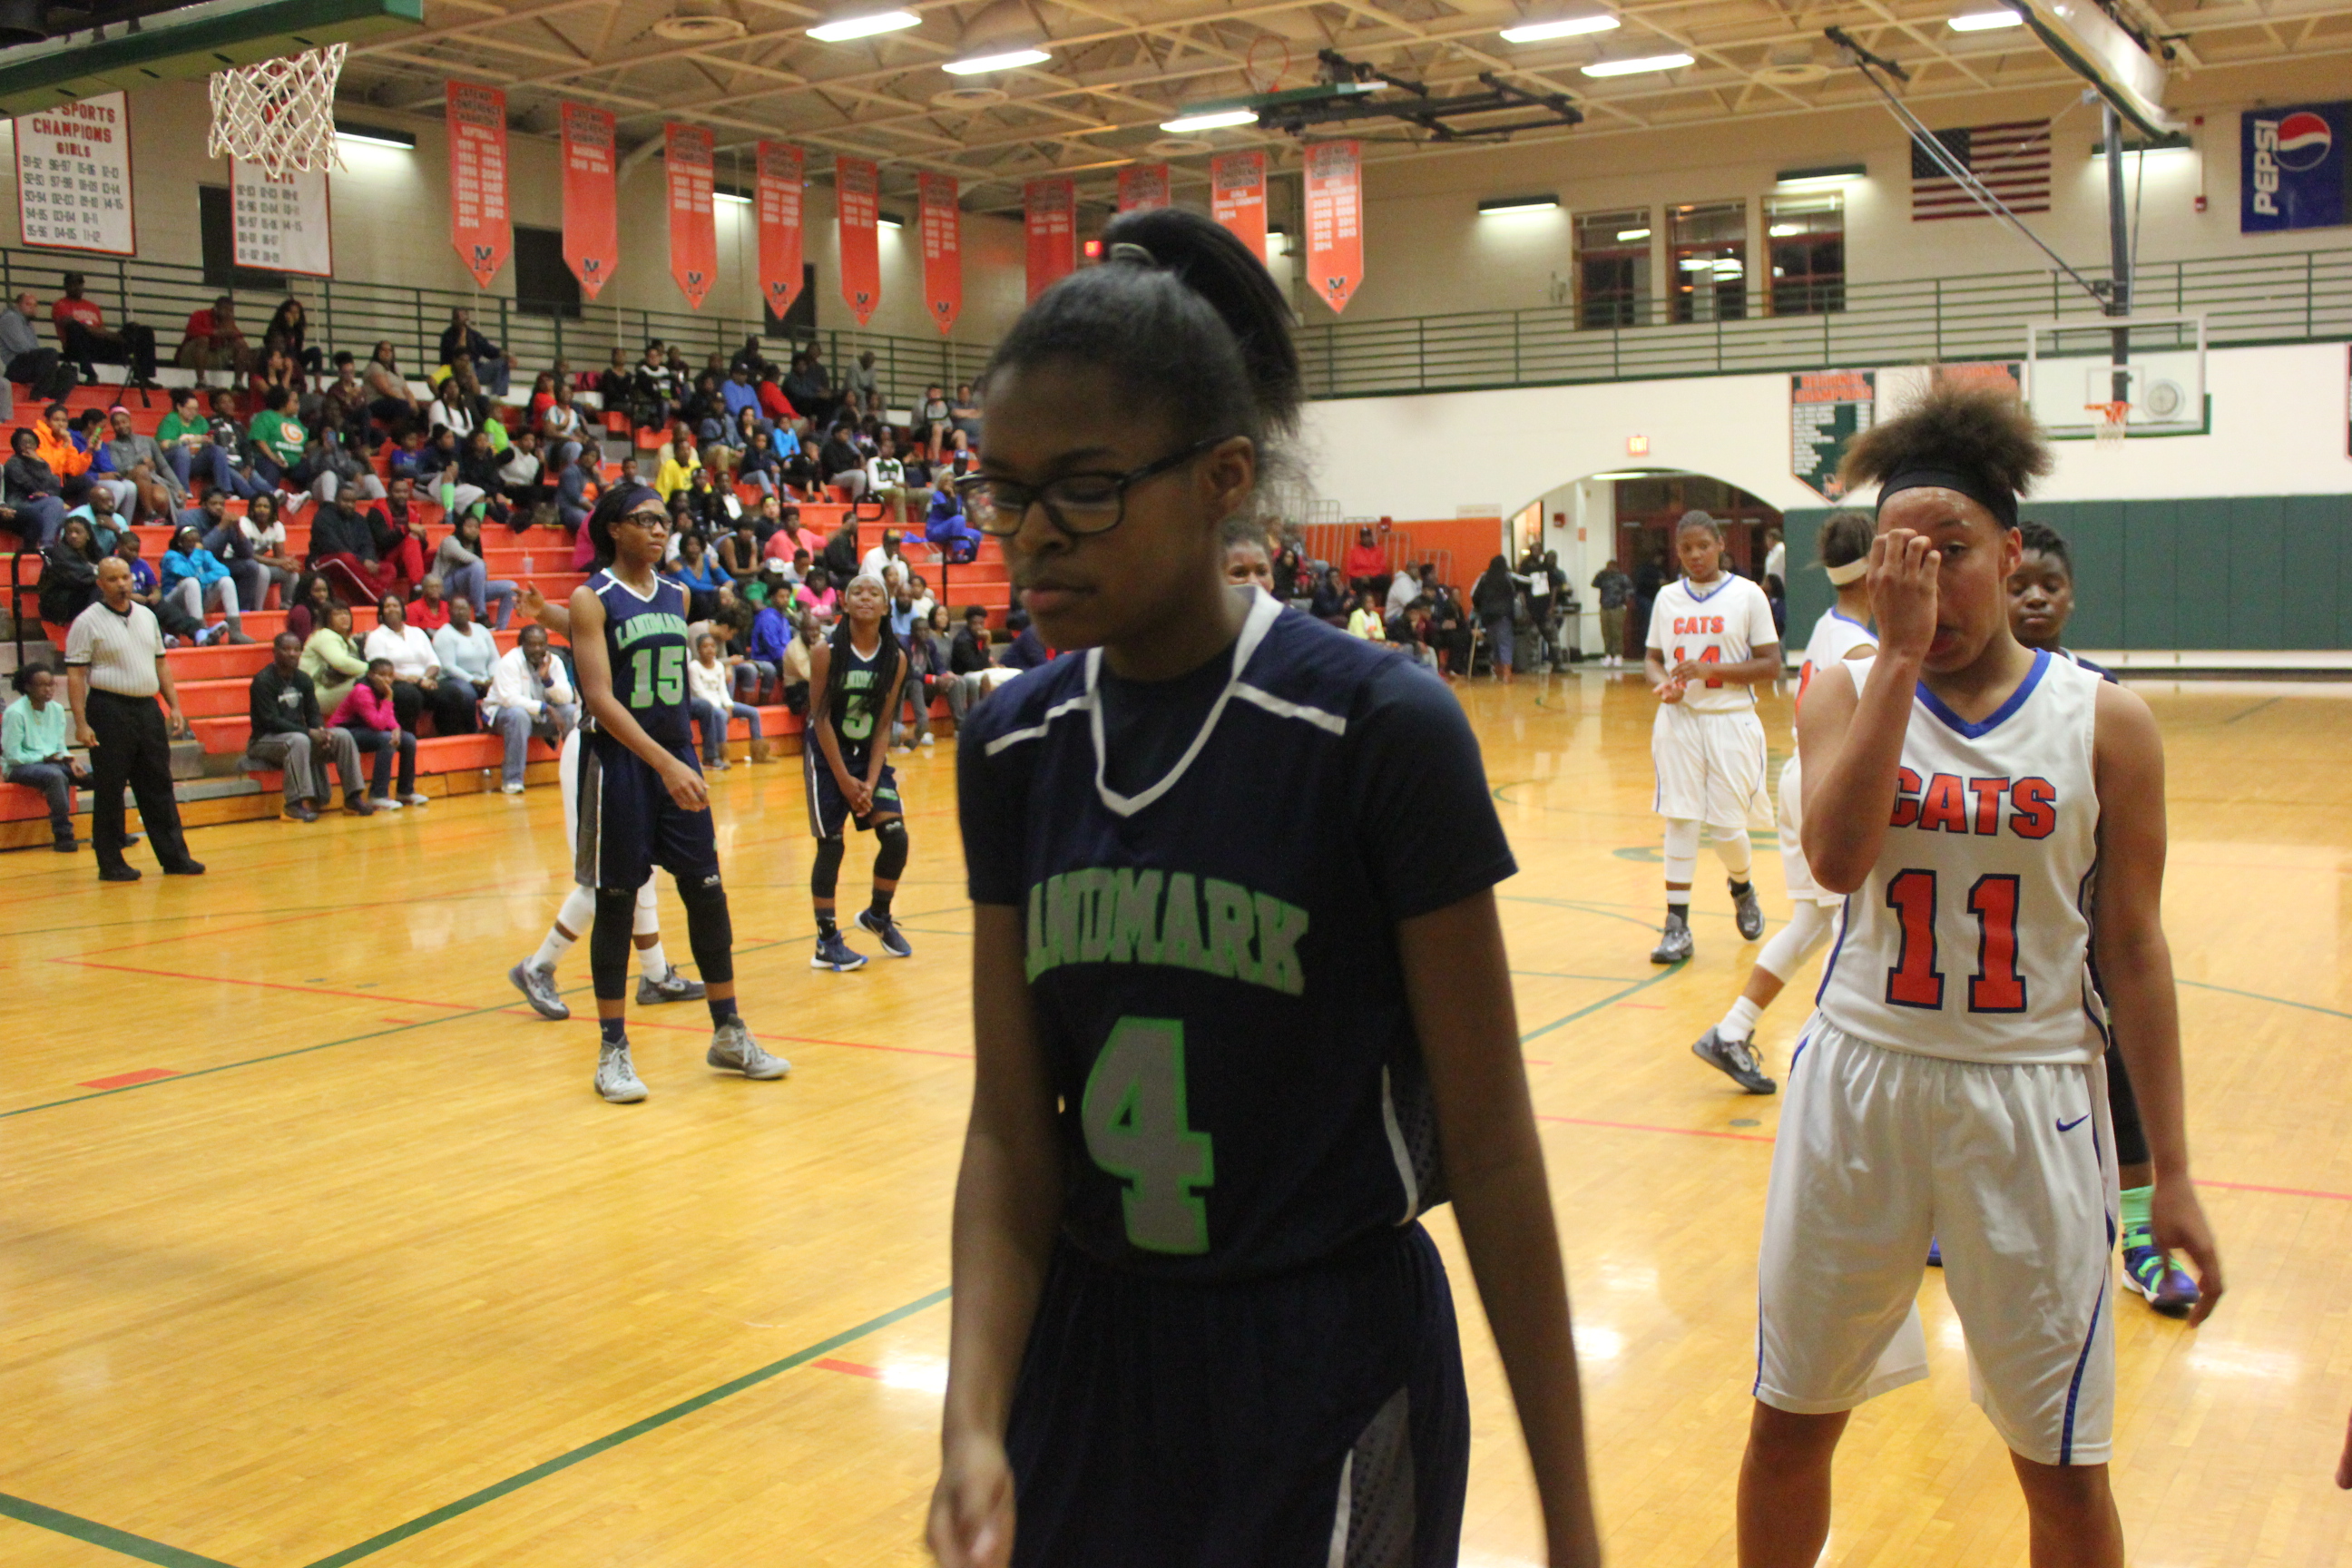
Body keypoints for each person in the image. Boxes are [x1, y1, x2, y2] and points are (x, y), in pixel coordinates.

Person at [927, 208, 1599, 1568]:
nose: (1033, 536)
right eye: (1006, 493)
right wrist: (971, 1417)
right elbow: (1010, 1133)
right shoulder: (1011, 746)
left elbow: (1492, 1146)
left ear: (1221, 478)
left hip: (1328, 1358)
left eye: (1085, 488)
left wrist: (1572, 1522)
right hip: (1091, 1346)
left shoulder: (1377, 729)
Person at [1741, 380, 2224, 1568]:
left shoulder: (2107, 724)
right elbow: (1834, 861)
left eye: (1950, 552)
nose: (1923, 582)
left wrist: (2168, 1173)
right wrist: (1898, 660)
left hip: (2032, 1097)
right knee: (1789, 1423)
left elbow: (2136, 953)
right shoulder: (1845, 689)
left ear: (2011, 555)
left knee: (2064, 1469)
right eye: (1896, 558)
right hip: (1860, 1083)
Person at [2004, 517, 2200, 1317]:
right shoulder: (1951, 698)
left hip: (2077, 936)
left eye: (2050, 585)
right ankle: (1957, 1210)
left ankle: (2143, 1236)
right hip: (1989, 946)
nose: (2035, 598)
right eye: (2020, 585)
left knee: (2119, 1082)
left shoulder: (2099, 699)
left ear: (2072, 597)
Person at [562, 485, 789, 1102]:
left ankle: (729, 1033)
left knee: (706, 891)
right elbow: (599, 697)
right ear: (614, 528)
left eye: (664, 520)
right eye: (645, 520)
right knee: (616, 903)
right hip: (621, 764)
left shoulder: (677, 594)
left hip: (675, 757)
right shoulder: (590, 597)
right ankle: (612, 1050)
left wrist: (677, 759)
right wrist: (664, 762)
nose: (660, 530)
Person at [1689, 510, 1877, 1096]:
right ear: (1876, 569)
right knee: (1853, 928)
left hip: (1801, 776)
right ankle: (1829, 1058)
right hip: (1828, 784)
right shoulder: (1863, 650)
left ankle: (1731, 1031)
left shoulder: (1827, 626)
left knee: (1814, 923)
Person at [1642, 509, 1779, 965]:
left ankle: (1742, 886)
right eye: (1686, 548)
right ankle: (1676, 925)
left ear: (1721, 544)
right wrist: (1663, 683)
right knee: (1680, 818)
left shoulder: (1748, 595)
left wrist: (1709, 670)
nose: (1695, 555)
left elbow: (1771, 665)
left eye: (1703, 545)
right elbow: (1652, 659)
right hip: (1680, 721)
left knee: (1726, 829)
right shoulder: (1667, 598)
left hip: (1731, 719)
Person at [64, 556, 202, 880]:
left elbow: (161, 664)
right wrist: (81, 723)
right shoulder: (86, 622)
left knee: (159, 784)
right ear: (100, 584)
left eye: (125, 577)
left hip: (147, 708)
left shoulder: (146, 616)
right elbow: (75, 675)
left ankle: (175, 858)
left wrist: (175, 706)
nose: (121, 584)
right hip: (108, 709)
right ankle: (111, 862)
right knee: (110, 788)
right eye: (113, 579)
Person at [802, 571, 910, 972]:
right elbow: (820, 717)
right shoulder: (826, 651)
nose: (865, 597)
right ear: (844, 604)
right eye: (857, 592)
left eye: (874, 592)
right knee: (831, 845)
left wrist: (870, 779)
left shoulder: (895, 658)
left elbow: (883, 725)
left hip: (867, 756)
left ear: (885, 606)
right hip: (827, 754)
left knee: (896, 837)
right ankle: (826, 940)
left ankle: (878, 915)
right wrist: (846, 781)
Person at [247, 631, 367, 823]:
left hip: (298, 737)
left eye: (296, 649)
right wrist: (309, 733)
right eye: (286, 649)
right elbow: (271, 721)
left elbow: (313, 713)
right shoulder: (263, 681)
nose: (292, 654)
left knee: (342, 736)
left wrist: (320, 730)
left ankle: (352, 799)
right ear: (275, 652)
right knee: (299, 740)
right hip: (264, 740)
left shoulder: (303, 679)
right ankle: (293, 806)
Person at [5, 663, 91, 851]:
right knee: (55, 776)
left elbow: (60, 746)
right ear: (28, 687)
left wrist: (71, 760)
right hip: (20, 767)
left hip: (52, 763)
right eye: (42, 685)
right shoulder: (15, 713)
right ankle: (63, 835)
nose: (48, 689)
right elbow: (12, 756)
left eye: (51, 684)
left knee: (98, 773)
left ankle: (112, 832)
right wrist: (45, 758)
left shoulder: (57, 709)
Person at [484, 622, 577, 795]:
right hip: (503, 716)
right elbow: (510, 699)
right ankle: (512, 780)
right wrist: (545, 708)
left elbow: (566, 697)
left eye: (541, 644)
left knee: (571, 712)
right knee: (518, 715)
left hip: (539, 717)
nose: (537, 649)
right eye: (532, 645)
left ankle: (577, 773)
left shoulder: (554, 662)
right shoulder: (510, 662)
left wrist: (548, 680)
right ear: (522, 644)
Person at [365, 593, 475, 739]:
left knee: (451, 692)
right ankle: (409, 739)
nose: (392, 609)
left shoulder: (417, 632)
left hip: (424, 680)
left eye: (395, 606)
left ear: (402, 610)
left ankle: (447, 737)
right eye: (387, 606)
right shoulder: (376, 637)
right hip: (395, 683)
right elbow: (379, 670)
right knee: (409, 695)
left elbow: (434, 663)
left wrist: (424, 679)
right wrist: (416, 681)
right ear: (381, 612)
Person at [329, 658, 421, 810]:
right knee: (386, 739)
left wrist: (396, 729)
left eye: (390, 675)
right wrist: (389, 697)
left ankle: (405, 791)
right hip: (344, 733)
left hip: (365, 731)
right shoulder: (362, 691)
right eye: (382, 675)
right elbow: (377, 724)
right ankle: (378, 795)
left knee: (409, 739)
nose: (387, 679)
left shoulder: (382, 691)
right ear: (371, 675)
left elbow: (389, 717)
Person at [52, 272, 158, 385]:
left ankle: (143, 377)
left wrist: (118, 335)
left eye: (80, 284)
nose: (77, 287)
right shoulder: (60, 304)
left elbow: (102, 330)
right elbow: (68, 323)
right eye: (73, 284)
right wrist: (100, 332)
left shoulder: (92, 307)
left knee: (144, 331)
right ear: (66, 286)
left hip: (100, 344)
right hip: (79, 347)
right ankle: (90, 374)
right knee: (75, 328)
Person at [160, 524, 255, 644]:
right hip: (173, 605)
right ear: (180, 543)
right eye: (189, 541)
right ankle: (199, 631)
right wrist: (197, 554)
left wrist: (201, 579)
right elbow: (187, 572)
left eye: (197, 541)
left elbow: (223, 571)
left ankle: (235, 632)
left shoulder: (205, 555)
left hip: (197, 600)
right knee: (191, 582)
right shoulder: (171, 556)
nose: (194, 545)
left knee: (226, 581)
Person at [688, 631, 768, 769]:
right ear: (699, 650)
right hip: (707, 705)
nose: (710, 649)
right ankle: (722, 756)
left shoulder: (719, 666)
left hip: (720, 703)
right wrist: (721, 708)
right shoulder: (693, 667)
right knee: (721, 715)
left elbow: (723, 690)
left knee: (753, 712)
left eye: (712, 646)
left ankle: (759, 754)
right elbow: (699, 692)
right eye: (705, 646)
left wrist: (729, 705)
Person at [434, 511, 518, 629]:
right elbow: (465, 557)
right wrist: (482, 566)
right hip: (445, 587)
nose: (473, 530)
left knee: (511, 587)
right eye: (469, 526)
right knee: (477, 565)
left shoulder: (475, 545)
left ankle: (500, 629)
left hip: (469, 589)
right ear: (461, 527)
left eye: (476, 527)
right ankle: (481, 615)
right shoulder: (450, 541)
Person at [1, 290, 74, 406]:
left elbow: (34, 349)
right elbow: (20, 347)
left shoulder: (28, 323)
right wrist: (43, 360)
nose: (32, 308)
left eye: (35, 305)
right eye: (28, 304)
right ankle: (38, 396)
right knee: (50, 353)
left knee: (69, 374)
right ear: (17, 305)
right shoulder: (10, 318)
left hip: (27, 363)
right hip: (14, 366)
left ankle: (53, 404)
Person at [37, 514, 103, 630]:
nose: (73, 536)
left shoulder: (95, 553)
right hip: (60, 603)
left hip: (81, 599)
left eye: (78, 532)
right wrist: (103, 577)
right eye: (69, 533)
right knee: (99, 587)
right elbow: (79, 579)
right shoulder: (59, 553)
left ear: (88, 535)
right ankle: (91, 626)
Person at [433, 593, 503, 700]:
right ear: (449, 611)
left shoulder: (481, 629)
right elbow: (448, 667)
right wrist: (474, 680)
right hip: (455, 681)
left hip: (484, 680)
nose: (461, 612)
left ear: (470, 610)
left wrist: (493, 677)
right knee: (466, 692)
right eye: (457, 609)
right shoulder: (444, 634)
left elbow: (494, 659)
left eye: (464, 608)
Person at [1471, 554, 1520, 681]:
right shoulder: (1507, 577)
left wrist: (1480, 608)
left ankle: (1498, 673)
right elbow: (1515, 592)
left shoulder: (1484, 578)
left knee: (1495, 645)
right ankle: (1507, 675)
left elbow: (1475, 596)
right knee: (1505, 643)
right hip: (1504, 615)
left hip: (1488, 616)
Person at [439, 308, 509, 396]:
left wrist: (508, 355)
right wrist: (462, 333)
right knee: (466, 364)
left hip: (476, 370)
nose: (461, 319)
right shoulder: (448, 336)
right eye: (458, 317)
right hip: (455, 372)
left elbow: (489, 350)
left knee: (502, 363)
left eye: (463, 316)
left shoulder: (474, 336)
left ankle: (497, 397)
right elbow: (459, 354)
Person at [176, 295, 250, 374]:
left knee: (241, 344)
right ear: (216, 308)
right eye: (225, 309)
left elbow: (238, 336)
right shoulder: (200, 315)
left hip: (215, 355)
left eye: (231, 311)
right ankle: (201, 379)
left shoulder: (227, 321)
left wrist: (229, 331)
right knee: (203, 340)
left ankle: (238, 380)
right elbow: (191, 330)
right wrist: (215, 333)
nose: (228, 313)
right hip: (192, 356)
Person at [1589, 558, 1632, 668]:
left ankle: (1618, 655)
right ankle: (1608, 654)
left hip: (1617, 607)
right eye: (1608, 567)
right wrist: (1600, 573)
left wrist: (1623, 599)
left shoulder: (1622, 577)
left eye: (1612, 566)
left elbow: (1630, 590)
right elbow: (1594, 584)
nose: (1609, 569)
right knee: (1606, 632)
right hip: (1605, 607)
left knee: (1616, 632)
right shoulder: (1603, 577)